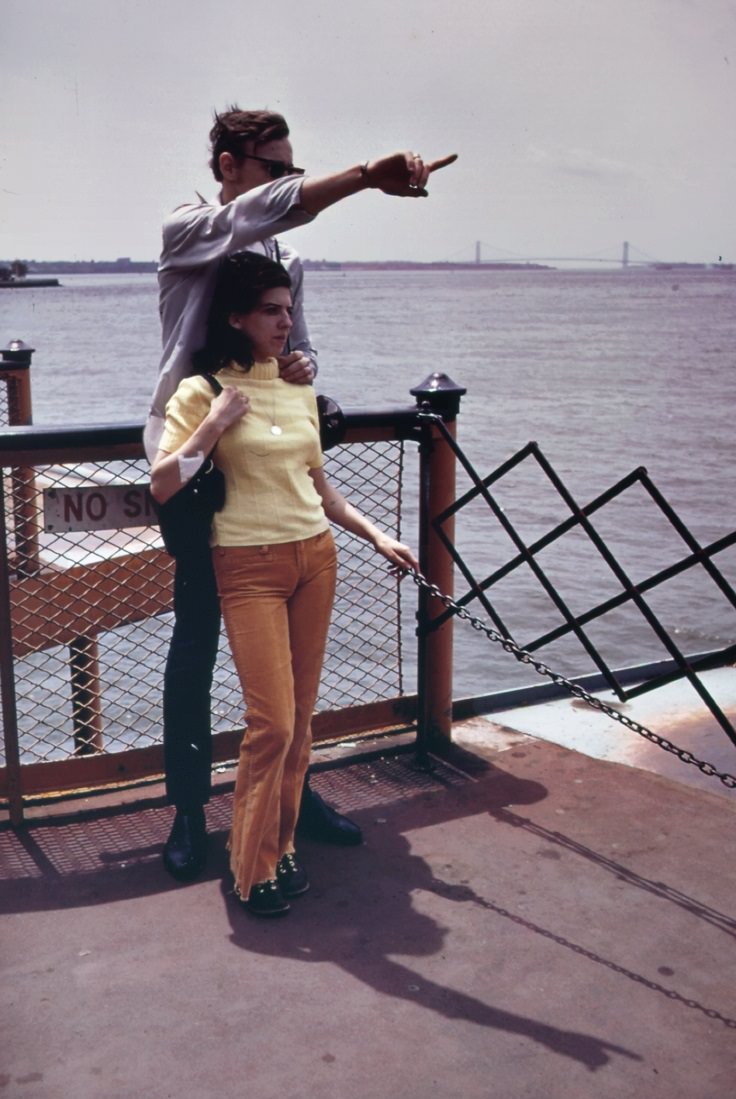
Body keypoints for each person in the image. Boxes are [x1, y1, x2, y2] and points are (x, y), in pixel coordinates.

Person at [145, 106, 455, 881]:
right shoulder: (190, 225)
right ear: (228, 164)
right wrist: (362, 178)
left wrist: (305, 367)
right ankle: (187, 812)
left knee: (288, 660)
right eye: (274, 165)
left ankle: (294, 791)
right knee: (195, 645)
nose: (286, 179)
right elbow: (260, 211)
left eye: (293, 166)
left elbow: (300, 342)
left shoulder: (281, 259)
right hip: (196, 460)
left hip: (264, 467)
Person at [150, 252, 419, 916]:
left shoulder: (299, 390)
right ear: (236, 316)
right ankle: (251, 867)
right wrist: (214, 424)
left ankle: (279, 840)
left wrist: (378, 534)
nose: (284, 322)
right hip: (245, 564)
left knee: (300, 723)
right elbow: (161, 482)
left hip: (314, 558)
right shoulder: (198, 392)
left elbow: (319, 489)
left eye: (289, 310)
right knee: (269, 721)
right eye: (270, 310)